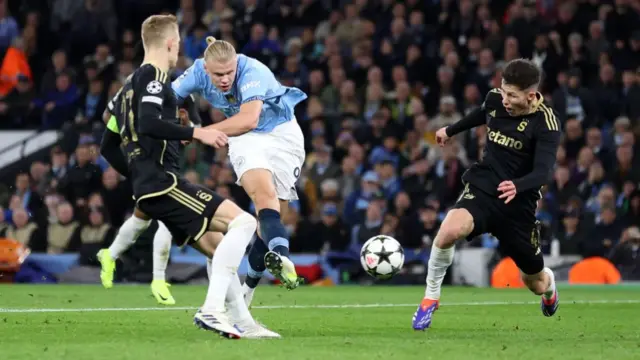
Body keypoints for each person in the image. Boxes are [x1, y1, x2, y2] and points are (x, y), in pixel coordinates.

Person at [97, 14, 278, 339]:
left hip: (150, 185)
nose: (178, 46)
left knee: (217, 246)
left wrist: (136, 176)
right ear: (170, 43)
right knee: (246, 223)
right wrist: (197, 134)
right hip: (163, 183)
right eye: (178, 41)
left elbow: (107, 145)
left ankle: (245, 324)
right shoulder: (154, 76)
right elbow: (151, 123)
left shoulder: (125, 89)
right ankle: (211, 310)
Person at [412, 58, 562, 330]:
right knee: (448, 231)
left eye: (512, 95)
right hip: (485, 186)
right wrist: (451, 130)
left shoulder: (546, 122)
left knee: (535, 283)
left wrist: (518, 184)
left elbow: (544, 172)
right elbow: (482, 114)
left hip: (519, 204)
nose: (505, 99)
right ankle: (430, 297)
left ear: (530, 96)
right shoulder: (496, 99)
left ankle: (550, 287)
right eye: (503, 90)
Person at [171, 36, 308, 303]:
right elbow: (168, 97)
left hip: (283, 134)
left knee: (272, 217)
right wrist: (179, 112)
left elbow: (248, 119)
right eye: (218, 74)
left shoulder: (253, 71)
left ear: (237, 64)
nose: (225, 79)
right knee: (264, 198)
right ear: (206, 69)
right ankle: (283, 257)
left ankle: (249, 289)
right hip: (246, 140)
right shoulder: (196, 71)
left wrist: (197, 132)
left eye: (230, 72)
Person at [97, 77, 202, 306]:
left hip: (153, 164)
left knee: (141, 219)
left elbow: (196, 129)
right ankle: (158, 280)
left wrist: (185, 127)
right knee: (166, 220)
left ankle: (111, 254)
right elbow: (109, 122)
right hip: (156, 166)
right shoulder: (136, 91)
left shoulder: (137, 91)